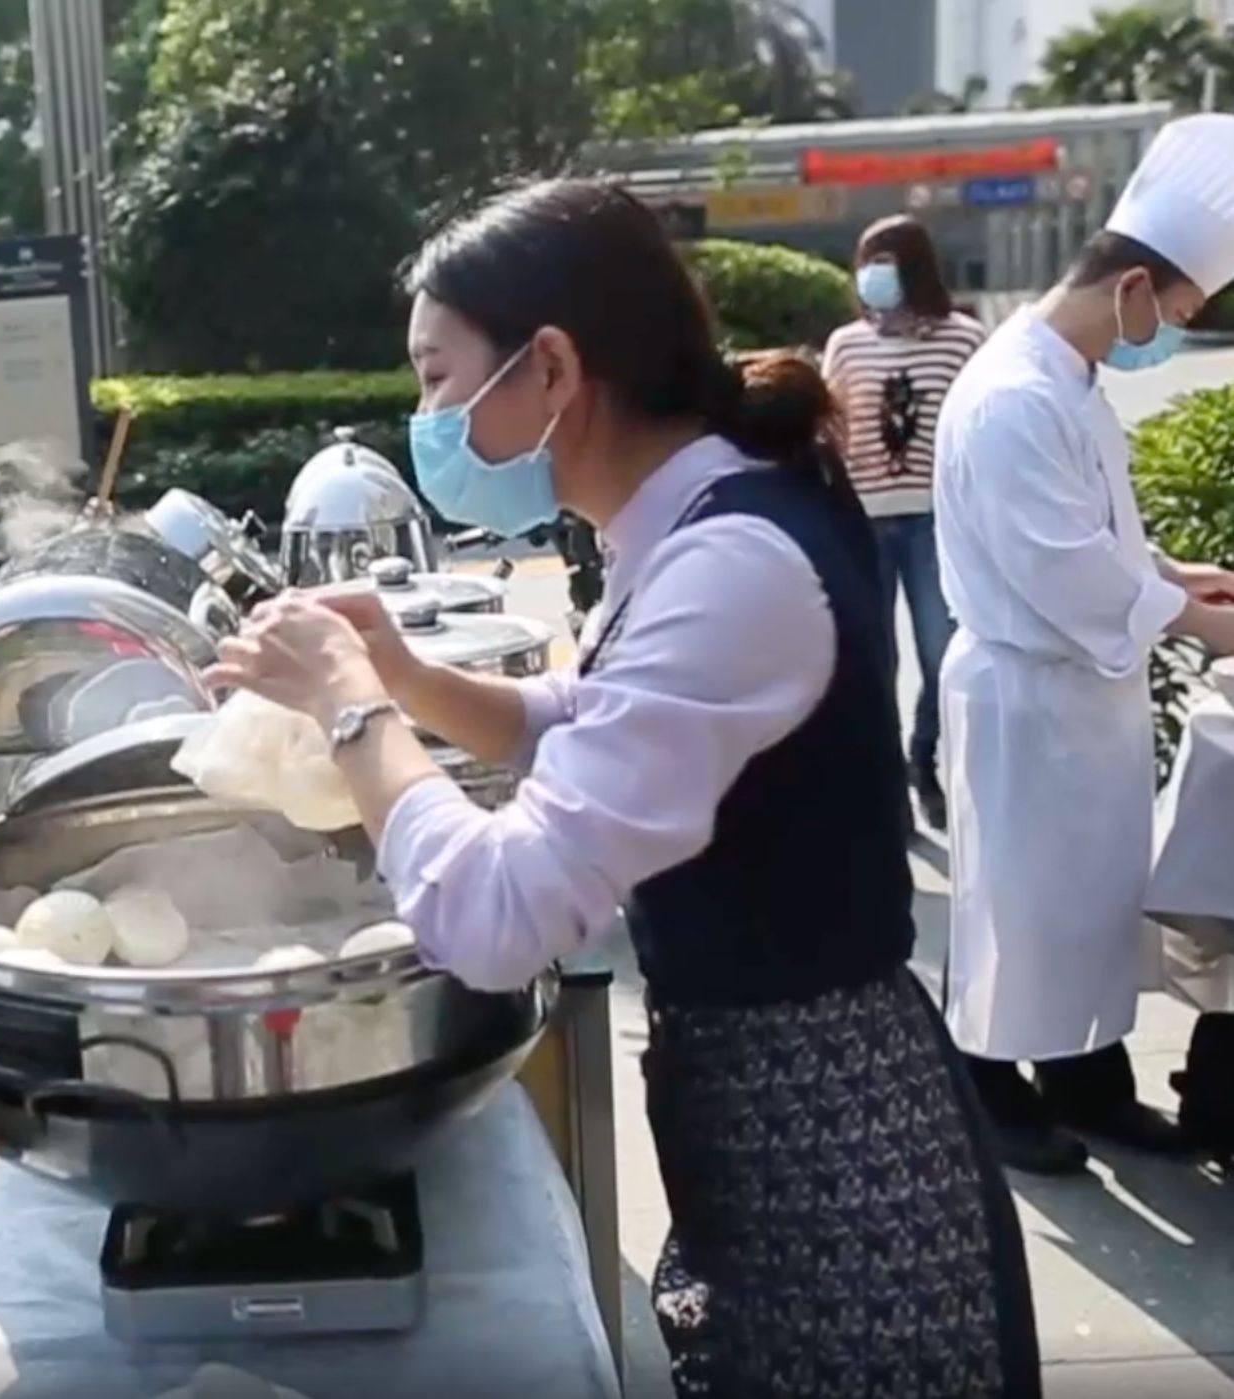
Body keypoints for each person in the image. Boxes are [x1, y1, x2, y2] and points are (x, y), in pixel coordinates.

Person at [207, 180, 1038, 1397]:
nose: (426, 419)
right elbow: (590, 718)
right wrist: (402, 674)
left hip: (833, 1141)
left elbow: (495, 918)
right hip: (770, 1107)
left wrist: (350, 707)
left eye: (438, 378)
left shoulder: (731, 563)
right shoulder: (693, 515)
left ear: (550, 366)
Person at [934, 113, 1234, 1176]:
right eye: (1181, 310)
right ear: (1133, 287)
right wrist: (1201, 621)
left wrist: (1175, 577)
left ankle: (1087, 1081)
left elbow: (1099, 539)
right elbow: (1061, 570)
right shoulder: (1014, 395)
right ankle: (987, 1089)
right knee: (1018, 913)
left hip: (1080, 694)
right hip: (1027, 695)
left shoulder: (1065, 375)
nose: (1177, 329)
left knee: (1088, 912)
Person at [822, 215, 985, 831]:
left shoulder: (963, 340)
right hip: (863, 520)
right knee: (874, 662)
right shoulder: (847, 344)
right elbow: (832, 427)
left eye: (885, 260)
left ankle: (924, 758)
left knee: (942, 655)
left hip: (936, 521)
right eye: (866, 261)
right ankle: (889, 787)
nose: (872, 274)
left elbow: (979, 427)